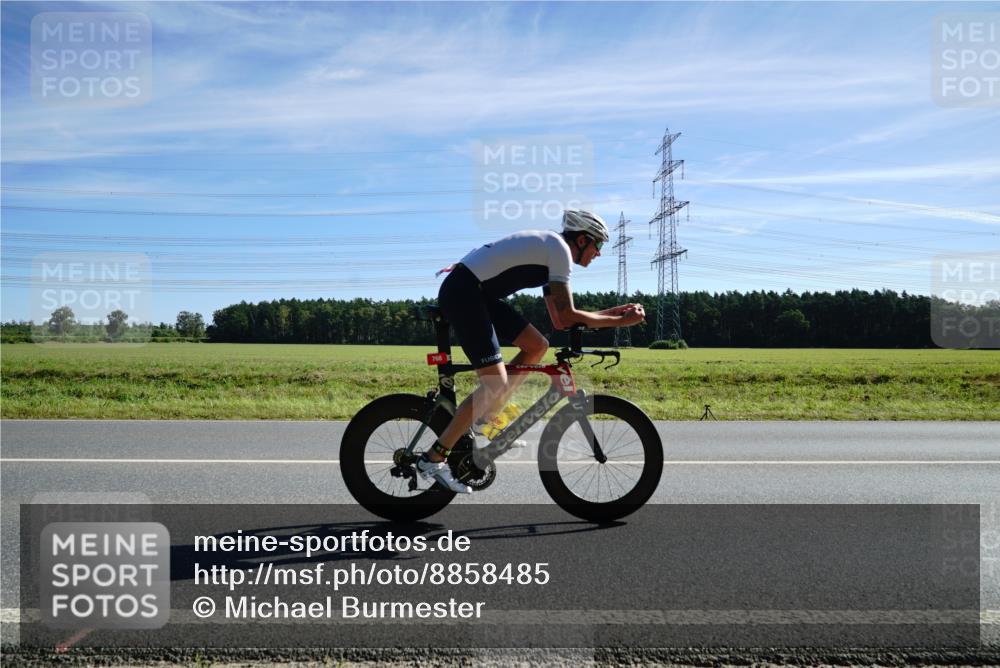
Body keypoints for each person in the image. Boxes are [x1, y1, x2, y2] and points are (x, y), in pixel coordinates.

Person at [416, 210, 646, 493]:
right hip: (465, 294)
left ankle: (486, 422)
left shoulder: (554, 253)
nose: (599, 253)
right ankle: (433, 458)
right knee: (495, 382)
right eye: (598, 245)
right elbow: (568, 313)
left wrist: (614, 313)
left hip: (477, 294)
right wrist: (622, 320)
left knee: (537, 346)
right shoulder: (560, 250)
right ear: (583, 240)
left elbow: (561, 320)